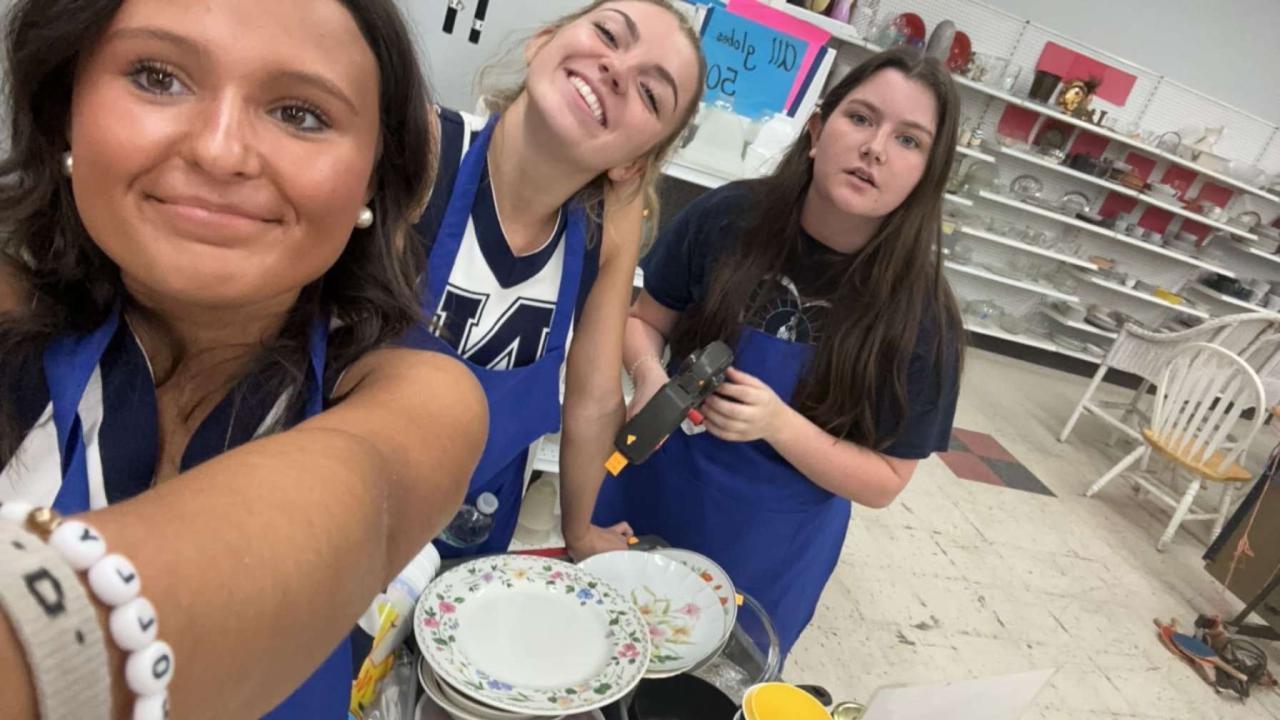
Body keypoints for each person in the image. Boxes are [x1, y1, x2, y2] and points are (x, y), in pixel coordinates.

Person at [0, 0, 486, 718]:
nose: (220, 151)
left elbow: (359, 502)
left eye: (300, 114)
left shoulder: (415, 397)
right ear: (64, 107)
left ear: (371, 180)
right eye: (157, 77)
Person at [592, 47, 965, 657]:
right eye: (861, 118)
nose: (875, 148)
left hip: (769, 549)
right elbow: (644, 322)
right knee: (597, 641)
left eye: (909, 141)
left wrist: (777, 424)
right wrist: (650, 376)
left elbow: (885, 481)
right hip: (651, 486)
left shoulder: (923, 316)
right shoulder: (727, 218)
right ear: (816, 130)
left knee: (708, 682)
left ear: (928, 175)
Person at [411, 0, 705, 561]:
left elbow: (594, 399)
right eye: (609, 34)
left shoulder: (598, 239)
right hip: (327, 510)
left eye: (650, 94)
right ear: (541, 42)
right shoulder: (421, 151)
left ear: (632, 165)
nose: (617, 69)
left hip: (463, 541)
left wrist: (581, 532)